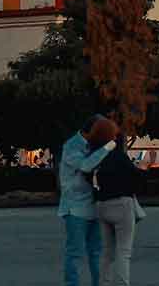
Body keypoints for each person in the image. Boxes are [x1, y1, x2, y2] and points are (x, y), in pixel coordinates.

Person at [59, 115, 118, 286]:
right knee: (75, 253)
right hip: (75, 208)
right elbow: (85, 165)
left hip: (94, 206)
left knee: (96, 252)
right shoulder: (71, 146)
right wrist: (108, 147)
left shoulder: (94, 145)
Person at [94, 133, 145, 286]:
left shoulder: (99, 158)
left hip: (102, 205)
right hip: (122, 204)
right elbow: (137, 177)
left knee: (107, 252)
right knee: (123, 251)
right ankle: (122, 283)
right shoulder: (121, 158)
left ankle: (104, 283)